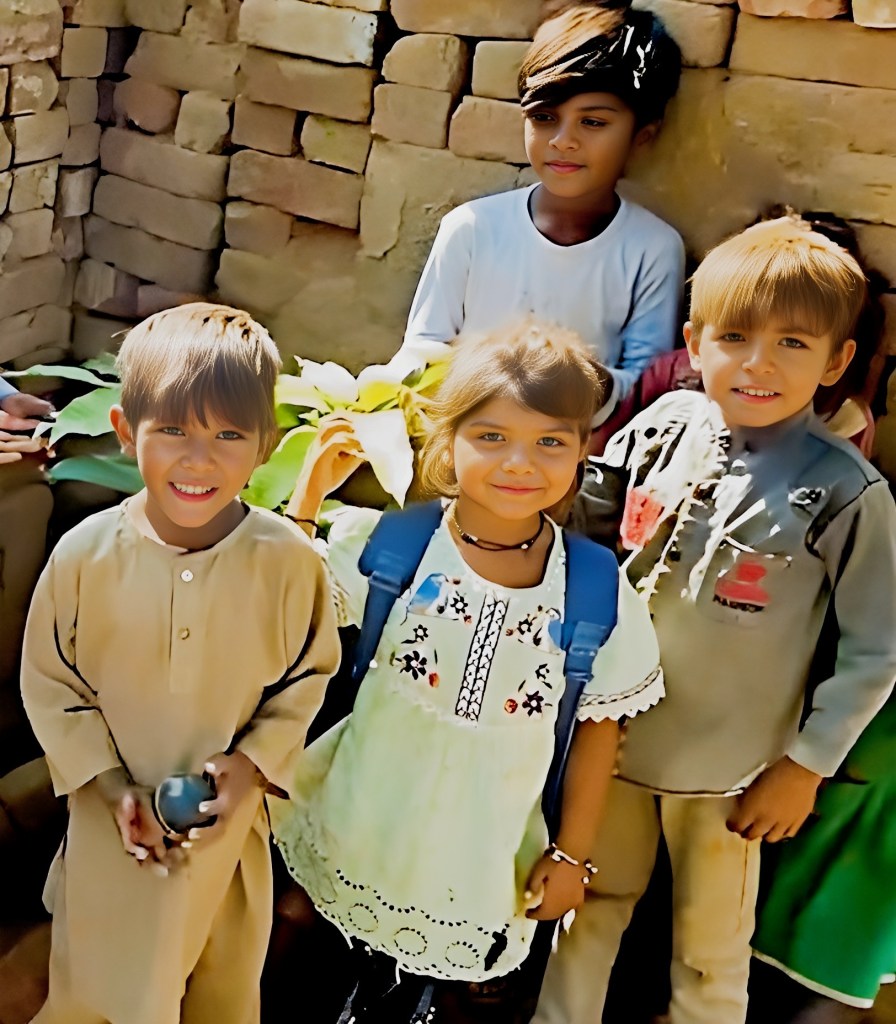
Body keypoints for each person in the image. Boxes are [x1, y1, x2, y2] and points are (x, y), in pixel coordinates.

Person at [534, 215, 896, 1024]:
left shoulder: (846, 493)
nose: (759, 363)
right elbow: (586, 533)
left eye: (793, 344)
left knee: (710, 947)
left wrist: (804, 765)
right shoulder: (662, 430)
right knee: (588, 909)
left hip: (732, 770)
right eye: (735, 336)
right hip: (611, 741)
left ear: (837, 361)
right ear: (695, 344)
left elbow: (876, 651)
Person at [272, 321, 666, 1021]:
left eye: (550, 442)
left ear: (583, 449)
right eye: (492, 436)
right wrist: (305, 503)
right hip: (351, 830)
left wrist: (571, 857)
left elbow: (598, 732)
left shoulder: (594, 591)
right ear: (447, 439)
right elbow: (281, 616)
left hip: (481, 872)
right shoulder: (395, 545)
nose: (520, 463)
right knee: (298, 982)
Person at [20, 302, 341, 1024]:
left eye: (229, 435)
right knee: (95, 993)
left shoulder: (288, 564)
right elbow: (52, 685)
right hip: (112, 843)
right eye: (173, 431)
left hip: (225, 846)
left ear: (265, 445)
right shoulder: (84, 558)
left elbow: (308, 678)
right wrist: (110, 788)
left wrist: (251, 766)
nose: (200, 460)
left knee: (219, 992)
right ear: (125, 431)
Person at [393, 0, 685, 422]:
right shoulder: (471, 229)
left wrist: (560, 374)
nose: (563, 140)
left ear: (642, 135)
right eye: (545, 117)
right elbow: (421, 353)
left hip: (573, 452)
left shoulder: (652, 249)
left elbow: (644, 388)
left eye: (593, 122)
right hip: (464, 442)